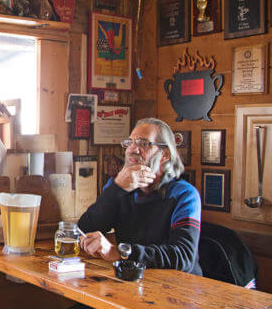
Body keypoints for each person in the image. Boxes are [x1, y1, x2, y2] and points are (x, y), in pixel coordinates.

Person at [78, 118, 202, 275]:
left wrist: (121, 253)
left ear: (165, 154)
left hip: (180, 289)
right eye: (129, 143)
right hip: (133, 279)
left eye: (143, 144)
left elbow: (183, 257)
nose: (132, 149)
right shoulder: (120, 187)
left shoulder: (184, 195)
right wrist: (116, 188)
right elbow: (85, 229)